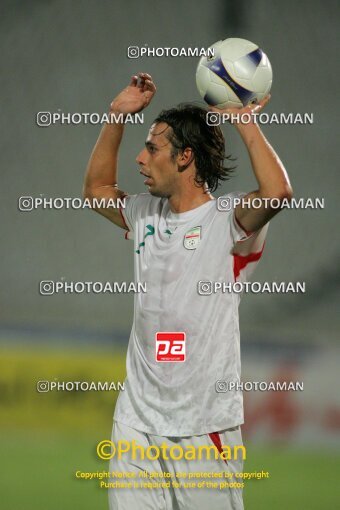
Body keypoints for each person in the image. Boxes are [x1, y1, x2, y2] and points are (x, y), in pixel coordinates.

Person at [84, 72, 292, 510]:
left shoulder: (227, 220)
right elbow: (97, 190)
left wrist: (244, 120)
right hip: (136, 424)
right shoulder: (145, 214)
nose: (140, 159)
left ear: (185, 158)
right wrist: (116, 117)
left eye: (153, 148)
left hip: (204, 427)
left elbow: (277, 192)